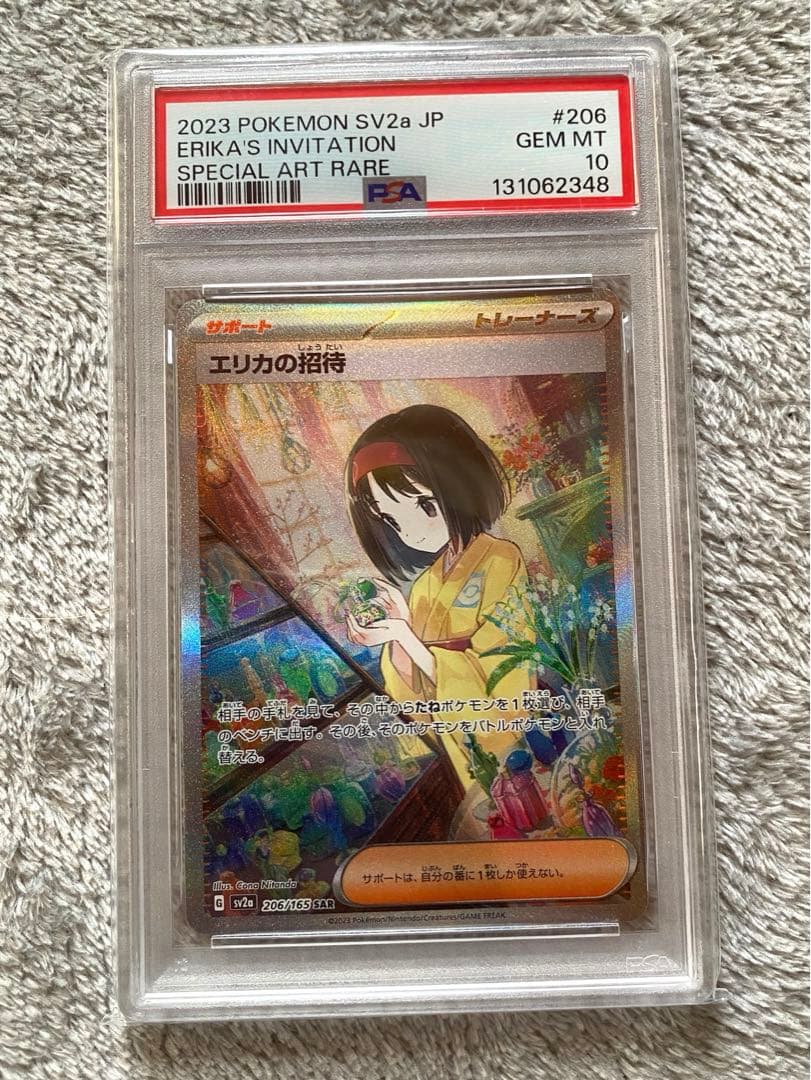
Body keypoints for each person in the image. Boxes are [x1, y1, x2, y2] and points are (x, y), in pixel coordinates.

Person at [344, 404, 533, 785]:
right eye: (390, 518)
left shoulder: (501, 560)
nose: (410, 532)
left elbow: (506, 685)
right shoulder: (425, 585)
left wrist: (407, 638)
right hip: (457, 743)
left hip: (505, 743)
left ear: (459, 486)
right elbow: (418, 706)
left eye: (424, 505)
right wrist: (399, 634)